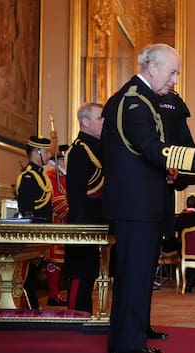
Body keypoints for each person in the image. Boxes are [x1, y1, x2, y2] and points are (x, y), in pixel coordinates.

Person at [101, 43, 195, 353]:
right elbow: (153, 148)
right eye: (172, 72)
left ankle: (126, 338)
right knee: (134, 275)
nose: (175, 79)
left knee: (138, 275)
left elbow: (152, 154)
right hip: (136, 205)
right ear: (151, 68)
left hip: (142, 204)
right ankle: (129, 345)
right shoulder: (134, 102)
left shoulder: (142, 99)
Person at [64, 102, 105, 314]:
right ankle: (74, 318)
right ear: (86, 122)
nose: (104, 122)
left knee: (91, 274)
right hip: (84, 223)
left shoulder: (100, 147)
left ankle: (85, 315)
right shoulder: (79, 150)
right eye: (100, 118)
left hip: (99, 221)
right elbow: (76, 193)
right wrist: (79, 229)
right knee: (81, 273)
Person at [15, 136, 55, 309]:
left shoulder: (41, 177)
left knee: (33, 277)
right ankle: (29, 311)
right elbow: (27, 211)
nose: (48, 155)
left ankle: (33, 308)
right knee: (27, 279)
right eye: (45, 151)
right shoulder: (28, 178)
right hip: (31, 237)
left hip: (41, 236)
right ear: (36, 153)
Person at [43, 144, 70, 306]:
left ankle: (57, 293)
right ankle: (53, 294)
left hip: (65, 223)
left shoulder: (65, 175)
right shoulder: (51, 175)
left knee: (61, 259)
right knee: (54, 258)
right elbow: (57, 201)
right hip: (55, 222)